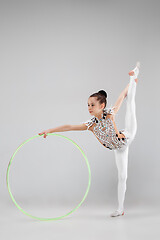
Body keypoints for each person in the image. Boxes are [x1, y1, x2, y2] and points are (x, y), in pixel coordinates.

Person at [38, 62, 140, 217]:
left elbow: (121, 97)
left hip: (127, 136)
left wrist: (129, 86)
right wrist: (50, 130)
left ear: (102, 105)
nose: (89, 107)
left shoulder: (109, 113)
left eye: (92, 104)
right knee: (122, 177)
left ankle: (134, 78)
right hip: (118, 148)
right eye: (88, 105)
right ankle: (120, 209)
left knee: (130, 104)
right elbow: (69, 126)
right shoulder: (91, 124)